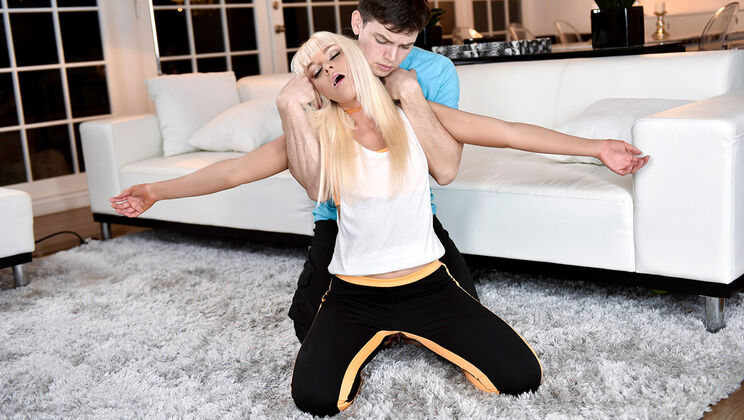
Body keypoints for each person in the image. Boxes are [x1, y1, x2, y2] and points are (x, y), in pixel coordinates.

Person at [110, 1, 648, 345]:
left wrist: (595, 147)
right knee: (310, 330)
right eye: (380, 42)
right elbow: (235, 170)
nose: (391, 58)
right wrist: (156, 190)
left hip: (413, 225)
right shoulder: (320, 112)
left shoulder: (418, 89)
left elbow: (503, 132)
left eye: (404, 46)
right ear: (354, 30)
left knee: (462, 317)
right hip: (343, 230)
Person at [288, 31, 542, 416]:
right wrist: (288, 107)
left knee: (522, 376)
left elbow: (507, 134)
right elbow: (278, 179)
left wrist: (597, 148)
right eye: (316, 71)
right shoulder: (320, 134)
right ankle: (372, 338)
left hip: (427, 285)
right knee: (315, 399)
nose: (329, 69)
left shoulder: (410, 110)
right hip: (354, 295)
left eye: (334, 55)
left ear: (354, 55)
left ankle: (406, 332)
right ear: (315, 89)